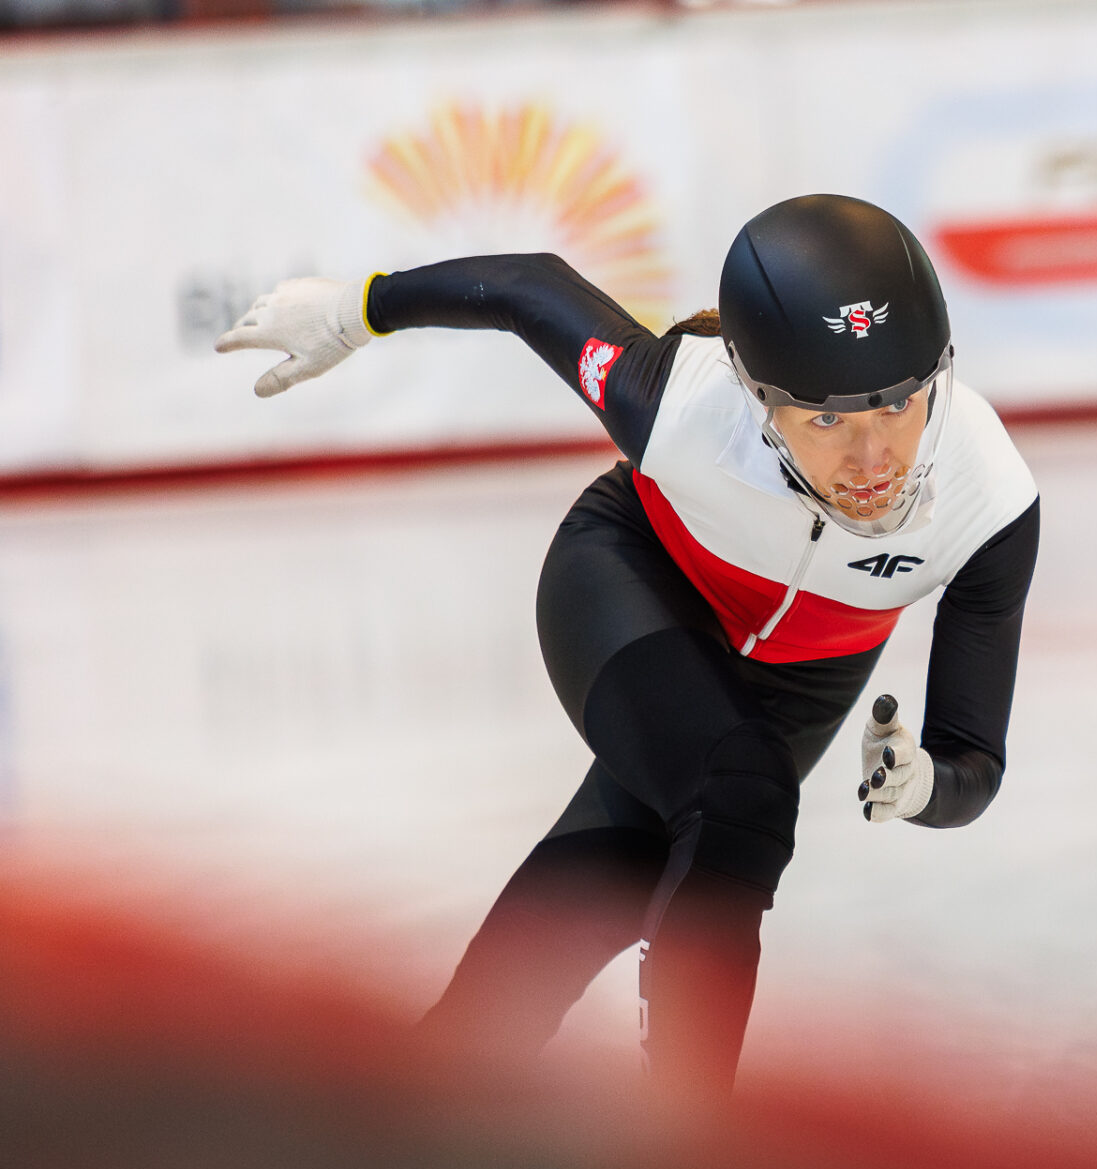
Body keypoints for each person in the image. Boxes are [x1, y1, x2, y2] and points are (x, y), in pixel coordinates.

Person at [214, 195, 1041, 1100]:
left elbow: (972, 763)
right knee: (742, 792)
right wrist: (356, 309)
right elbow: (529, 288)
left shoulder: (988, 500)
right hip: (635, 576)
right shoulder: (678, 403)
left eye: (898, 403)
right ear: (758, 401)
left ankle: (437, 1078)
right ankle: (685, 1137)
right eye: (825, 420)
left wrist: (924, 789)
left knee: (635, 849)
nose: (874, 456)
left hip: (808, 669)